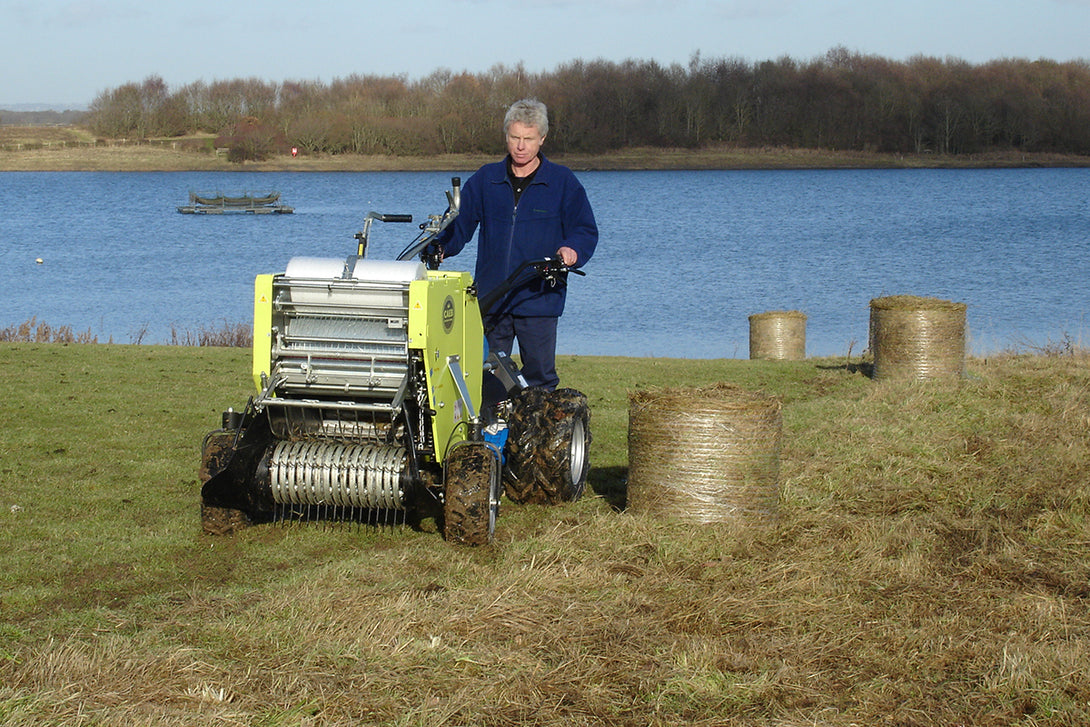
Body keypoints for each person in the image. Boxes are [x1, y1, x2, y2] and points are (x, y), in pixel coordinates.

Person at [435, 98, 598, 391]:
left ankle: (538, 434)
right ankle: (491, 433)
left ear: (542, 139)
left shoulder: (562, 182)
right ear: (506, 136)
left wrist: (572, 250)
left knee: (539, 379)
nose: (521, 146)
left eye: (528, 139)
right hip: (492, 297)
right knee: (485, 374)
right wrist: (441, 245)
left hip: (539, 298)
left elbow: (584, 230)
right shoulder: (487, 179)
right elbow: (459, 224)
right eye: (515, 138)